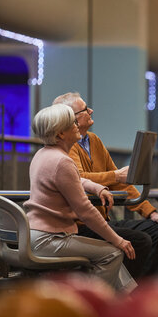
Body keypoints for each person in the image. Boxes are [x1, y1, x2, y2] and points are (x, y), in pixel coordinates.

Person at [52, 92, 158, 279]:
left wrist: (151, 212)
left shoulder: (94, 141)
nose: (91, 110)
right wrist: (115, 175)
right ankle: (126, 292)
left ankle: (145, 290)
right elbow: (79, 177)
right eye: (85, 109)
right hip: (80, 225)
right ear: (71, 118)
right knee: (140, 241)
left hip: (102, 221)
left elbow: (119, 183)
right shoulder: (66, 146)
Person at [24, 104, 136, 290]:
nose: (77, 125)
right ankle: (91, 306)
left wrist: (97, 187)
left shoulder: (44, 154)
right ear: (61, 134)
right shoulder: (62, 162)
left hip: (34, 235)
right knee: (113, 253)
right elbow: (86, 211)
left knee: (109, 252)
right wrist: (119, 240)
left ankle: (130, 299)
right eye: (73, 123)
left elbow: (76, 179)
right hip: (50, 239)